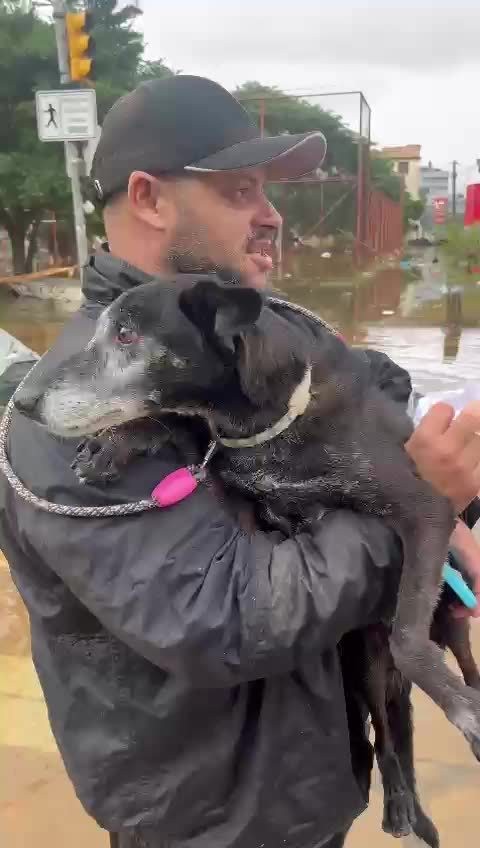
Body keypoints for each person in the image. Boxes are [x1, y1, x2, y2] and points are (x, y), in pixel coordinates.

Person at [1, 76, 479, 848]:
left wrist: (440, 482)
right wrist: (420, 510)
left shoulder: (238, 342)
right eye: (240, 192)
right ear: (151, 200)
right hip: (207, 824)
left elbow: (361, 410)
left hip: (306, 794)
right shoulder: (75, 410)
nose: (272, 215)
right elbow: (226, 617)